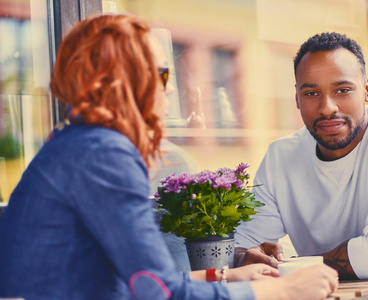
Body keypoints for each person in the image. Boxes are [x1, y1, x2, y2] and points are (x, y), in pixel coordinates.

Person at [0, 14, 339, 300]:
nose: (171, 89)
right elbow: (156, 288)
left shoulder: (78, 144)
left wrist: (224, 276)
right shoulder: (103, 153)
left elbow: (131, 281)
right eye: (163, 75)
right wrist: (283, 290)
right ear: (126, 82)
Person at [234, 32, 368, 299]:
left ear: (367, 90)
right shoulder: (280, 156)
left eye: (342, 90)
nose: (327, 107)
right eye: (311, 92)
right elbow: (242, 247)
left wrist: (292, 269)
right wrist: (245, 258)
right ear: (297, 98)